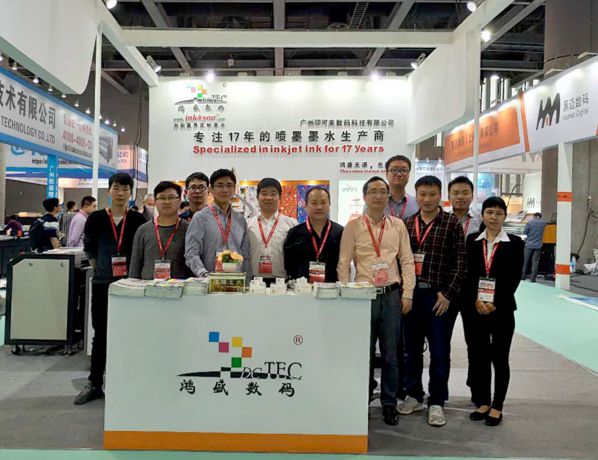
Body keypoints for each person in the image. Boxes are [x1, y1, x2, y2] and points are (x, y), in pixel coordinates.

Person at [337, 177, 415, 426]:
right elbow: (343, 262)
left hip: (391, 295)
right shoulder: (353, 226)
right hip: (363, 295)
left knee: (391, 353)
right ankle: (362, 398)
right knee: (365, 353)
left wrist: (407, 293)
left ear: (388, 196)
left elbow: (407, 260)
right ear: (365, 196)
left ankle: (389, 403)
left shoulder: (398, 226)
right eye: (373, 191)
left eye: (383, 191)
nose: (378, 196)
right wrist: (345, 294)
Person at [399, 176, 467, 427]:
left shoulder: (451, 224)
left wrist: (447, 294)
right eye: (422, 194)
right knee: (411, 350)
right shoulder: (406, 224)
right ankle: (414, 395)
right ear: (416, 195)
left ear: (440, 196)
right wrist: (404, 292)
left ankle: (436, 401)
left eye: (432, 194)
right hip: (411, 296)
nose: (427, 199)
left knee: (439, 352)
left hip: (438, 297)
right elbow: (399, 260)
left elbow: (460, 263)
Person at [74, 173, 146, 405]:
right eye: (116, 188)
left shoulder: (137, 219)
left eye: (125, 189)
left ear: (131, 193)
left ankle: (129, 383)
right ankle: (95, 383)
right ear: (108, 191)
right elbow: (89, 246)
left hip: (131, 285)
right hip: (102, 284)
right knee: (101, 334)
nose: (121, 193)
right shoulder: (96, 218)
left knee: (131, 334)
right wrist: (100, 269)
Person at [464, 197, 524, 426]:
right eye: (489, 212)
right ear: (482, 215)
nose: (494, 217)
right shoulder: (472, 241)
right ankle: (483, 401)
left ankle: (497, 405)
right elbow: (468, 274)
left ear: (504, 217)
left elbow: (514, 277)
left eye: (499, 213)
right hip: (476, 309)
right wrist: (476, 299)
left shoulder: (515, 243)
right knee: (479, 357)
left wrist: (495, 301)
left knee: (500, 358)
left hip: (502, 309)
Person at [447, 175, 481, 400]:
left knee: (475, 343)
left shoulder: (481, 221)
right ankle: (440, 390)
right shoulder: (442, 220)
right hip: (448, 289)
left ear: (471, 195)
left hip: (472, 289)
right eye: (456, 193)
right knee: (441, 342)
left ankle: (477, 389)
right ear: (449, 196)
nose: (460, 197)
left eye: (465, 193)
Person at [185, 169, 251, 277]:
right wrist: (203, 274)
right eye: (220, 185)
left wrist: (247, 279)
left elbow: (246, 255)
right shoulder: (200, 218)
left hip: (237, 281)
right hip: (210, 280)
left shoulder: (240, 220)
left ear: (234, 189)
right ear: (211, 189)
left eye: (229, 185)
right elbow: (191, 253)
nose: (225, 190)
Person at [130, 181, 191, 280]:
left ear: (179, 200)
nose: (166, 202)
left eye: (171, 197)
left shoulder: (188, 229)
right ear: (155, 201)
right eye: (162, 198)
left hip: (179, 287)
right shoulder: (143, 230)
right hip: (147, 288)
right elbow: (135, 265)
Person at [284, 187, 343, 283]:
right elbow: (288, 263)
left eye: (323, 202)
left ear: (329, 205)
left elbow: (344, 263)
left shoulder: (340, 232)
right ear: (306, 205)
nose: (319, 207)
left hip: (332, 287)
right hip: (302, 288)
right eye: (314, 203)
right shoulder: (294, 233)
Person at [247, 178, 297, 285]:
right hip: (254, 281)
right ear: (257, 197)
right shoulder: (248, 224)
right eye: (264, 193)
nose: (268, 197)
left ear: (280, 197)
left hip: (282, 282)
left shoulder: (291, 224)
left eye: (273, 194)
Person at [385, 155, 419, 219]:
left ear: (409, 174)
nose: (399, 174)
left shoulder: (417, 203)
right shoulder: (374, 202)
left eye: (404, 170)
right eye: (394, 170)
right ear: (386, 174)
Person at [521, 212, 547, 282]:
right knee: (535, 262)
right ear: (540, 217)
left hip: (529, 244)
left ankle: (522, 277)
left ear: (534, 216)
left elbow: (525, 232)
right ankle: (533, 278)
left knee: (525, 261)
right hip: (538, 245)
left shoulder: (529, 222)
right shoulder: (544, 223)